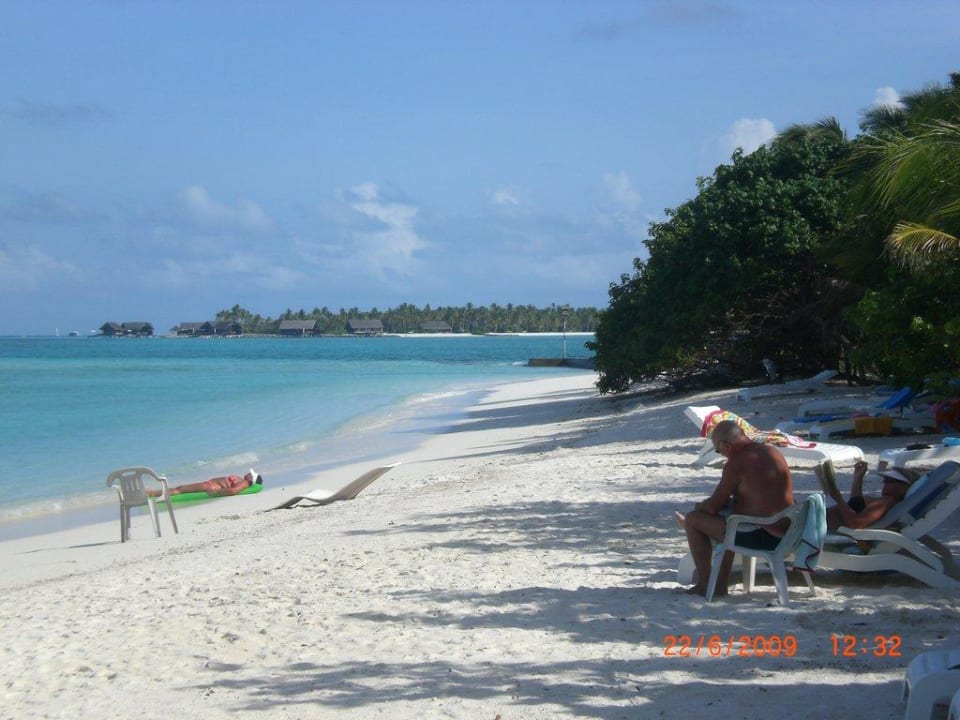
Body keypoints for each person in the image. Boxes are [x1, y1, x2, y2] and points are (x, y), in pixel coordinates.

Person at [675, 419, 794, 597]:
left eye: (718, 450)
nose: (721, 454)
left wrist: (699, 506)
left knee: (694, 519)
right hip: (789, 531)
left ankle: (706, 584)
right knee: (730, 519)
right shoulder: (771, 451)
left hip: (765, 536)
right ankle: (720, 584)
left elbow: (712, 507)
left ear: (726, 446)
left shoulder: (737, 463)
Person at [821, 460, 918, 531]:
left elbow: (856, 524)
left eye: (889, 481)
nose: (884, 483)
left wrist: (838, 499)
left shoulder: (886, 502)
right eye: (885, 480)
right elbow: (855, 505)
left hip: (819, 526)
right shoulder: (887, 501)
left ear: (903, 487)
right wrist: (858, 478)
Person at [151, 468, 263, 497]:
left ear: (250, 479)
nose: (248, 472)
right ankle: (153, 493)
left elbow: (234, 491)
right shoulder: (242, 480)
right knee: (180, 488)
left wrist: (217, 492)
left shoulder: (245, 483)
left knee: (180, 489)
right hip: (210, 484)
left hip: (211, 486)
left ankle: (152, 493)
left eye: (250, 474)